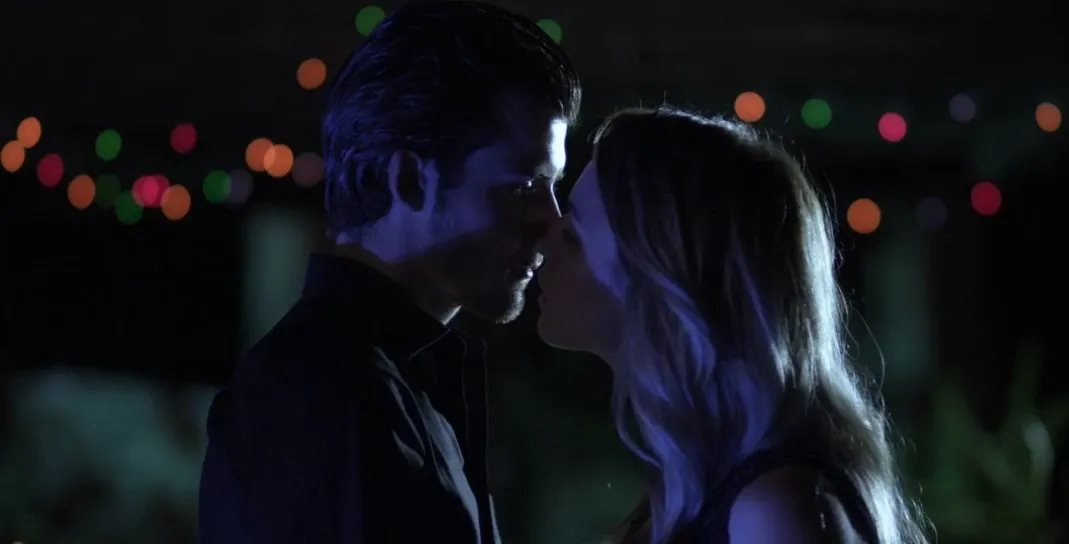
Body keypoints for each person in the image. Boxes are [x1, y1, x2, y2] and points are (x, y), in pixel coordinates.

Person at [197, 1, 580, 542]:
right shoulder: (321, 399)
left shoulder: (388, 386)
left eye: (552, 187)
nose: (553, 221)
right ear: (409, 181)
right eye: (524, 187)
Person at [535, 108, 929, 544]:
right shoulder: (696, 482)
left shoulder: (772, 511)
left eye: (572, 236)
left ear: (663, 281)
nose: (542, 243)